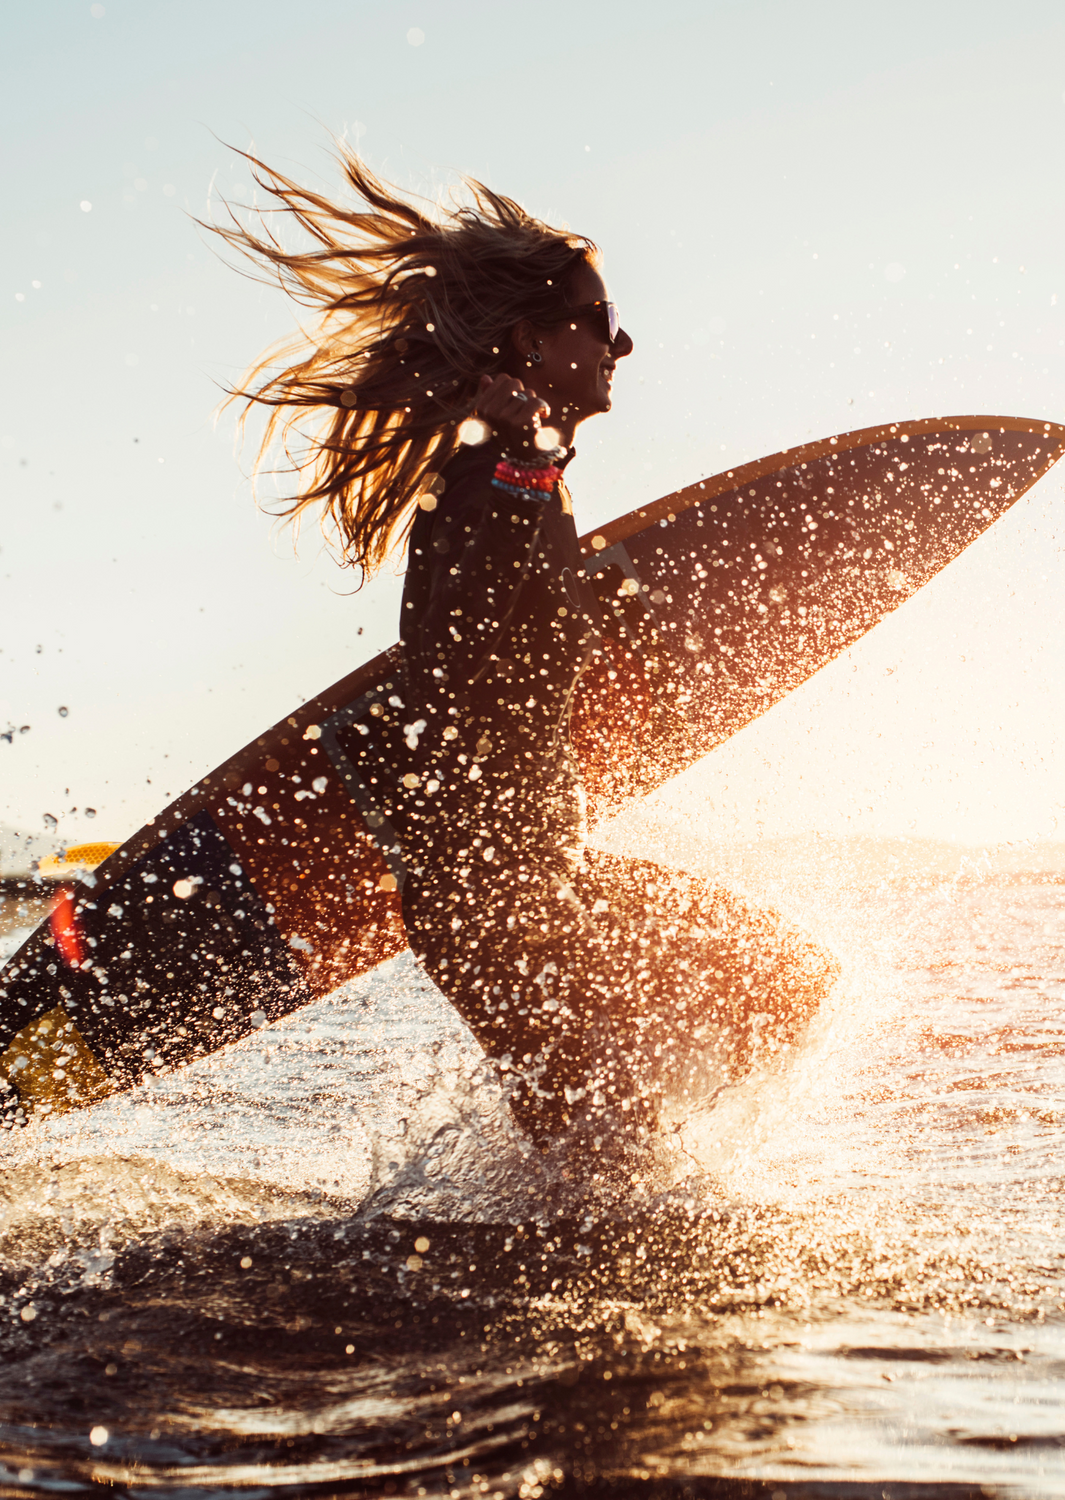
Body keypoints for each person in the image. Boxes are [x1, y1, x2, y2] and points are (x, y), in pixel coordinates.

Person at [213, 149, 838, 1165]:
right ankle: (540, 1243)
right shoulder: (490, 485)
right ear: (526, 340)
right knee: (605, 1158)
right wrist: (516, 458)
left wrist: (530, 457)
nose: (621, 341)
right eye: (595, 321)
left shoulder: (520, 477)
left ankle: (597, 1204)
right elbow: (456, 639)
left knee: (785, 979)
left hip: (542, 872)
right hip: (494, 892)